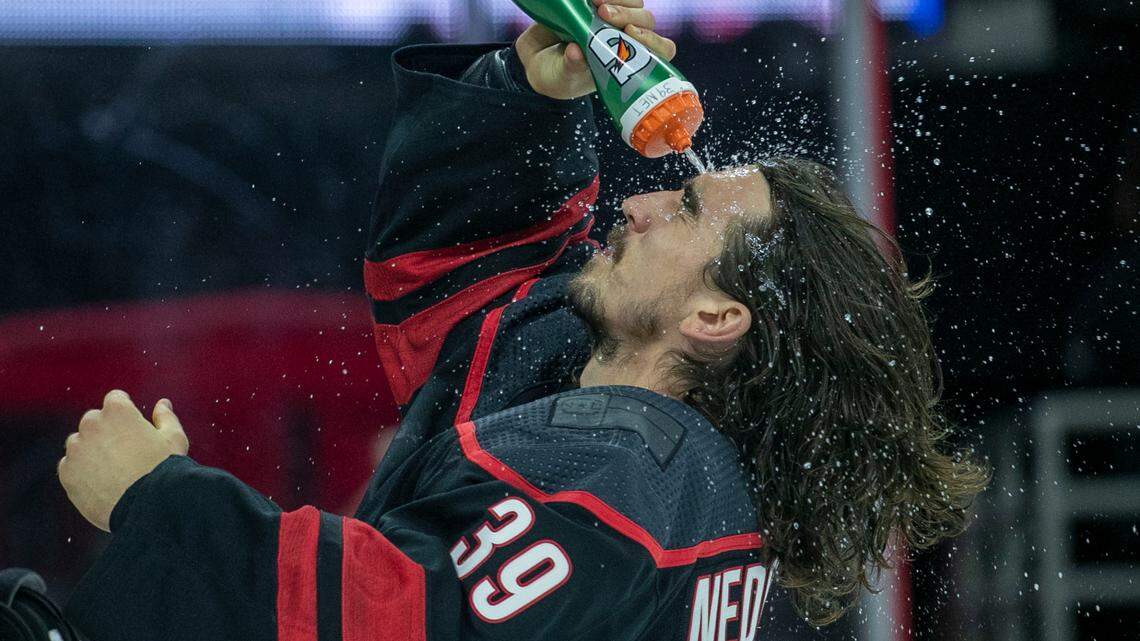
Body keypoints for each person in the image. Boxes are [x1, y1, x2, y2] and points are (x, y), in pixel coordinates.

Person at [54, 1, 988, 639]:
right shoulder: (653, 447)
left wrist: (158, 503)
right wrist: (532, 96)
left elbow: (409, 617)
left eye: (690, 209)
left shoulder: (624, 473)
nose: (641, 205)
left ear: (715, 315)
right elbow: (456, 304)